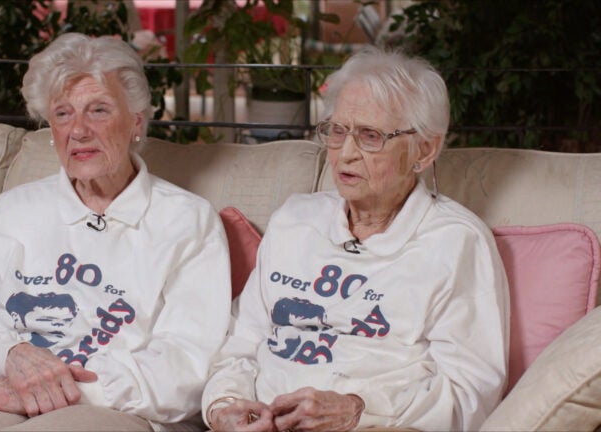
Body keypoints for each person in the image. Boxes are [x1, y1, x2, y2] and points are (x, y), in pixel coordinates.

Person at [0, 33, 231, 431]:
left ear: (136, 121)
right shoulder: (12, 212)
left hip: (112, 409)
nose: (79, 130)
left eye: (99, 110)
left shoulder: (187, 221)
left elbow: (185, 368)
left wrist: (48, 393)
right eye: (63, 113)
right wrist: (9, 353)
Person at [201, 47, 510, 432]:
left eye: (370, 136)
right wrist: (224, 406)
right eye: (337, 130)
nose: (345, 154)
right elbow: (241, 343)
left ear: (425, 149)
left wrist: (358, 409)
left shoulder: (456, 242)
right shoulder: (295, 220)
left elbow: (470, 396)